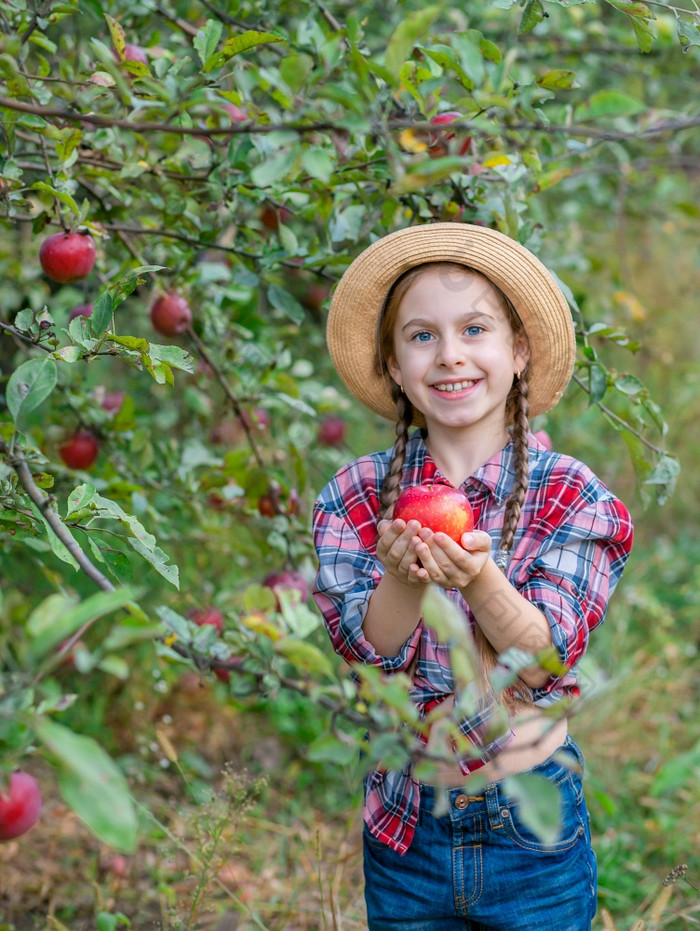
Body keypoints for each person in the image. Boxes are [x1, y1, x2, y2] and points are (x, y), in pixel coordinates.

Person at [312, 223, 634, 930]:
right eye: (421, 336)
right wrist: (408, 578)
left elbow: (545, 658)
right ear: (394, 365)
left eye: (475, 329)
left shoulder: (569, 495)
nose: (450, 354)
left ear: (518, 352)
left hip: (531, 825)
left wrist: (479, 578)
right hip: (408, 823)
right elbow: (365, 649)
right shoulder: (357, 496)